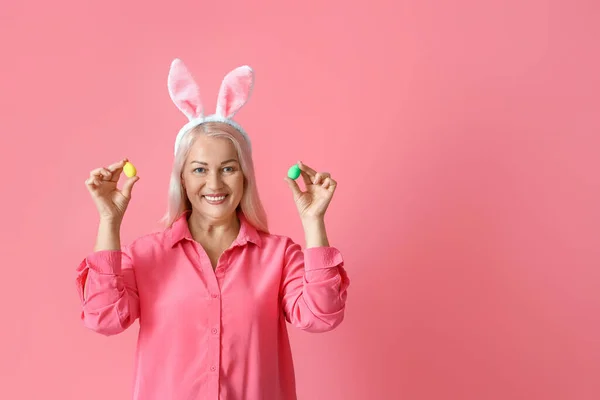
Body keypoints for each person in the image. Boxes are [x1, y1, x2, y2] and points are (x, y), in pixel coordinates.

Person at [75, 59, 350, 400]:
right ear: (183, 178)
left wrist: (313, 221)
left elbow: (321, 317)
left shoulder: (279, 257)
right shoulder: (145, 255)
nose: (214, 183)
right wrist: (109, 221)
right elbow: (104, 319)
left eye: (228, 168)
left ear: (245, 174)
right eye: (200, 169)